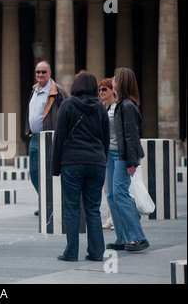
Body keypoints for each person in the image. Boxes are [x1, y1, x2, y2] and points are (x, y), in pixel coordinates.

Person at [51, 71, 110, 261]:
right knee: (93, 209)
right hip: (96, 162)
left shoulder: (68, 105)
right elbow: (105, 138)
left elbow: (59, 137)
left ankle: (71, 252)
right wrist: (102, 159)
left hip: (72, 162)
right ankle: (96, 252)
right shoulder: (100, 108)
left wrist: (55, 167)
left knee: (72, 208)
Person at [106, 67, 149, 252]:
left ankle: (138, 237)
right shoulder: (115, 103)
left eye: (114, 78)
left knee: (121, 195)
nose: (111, 80)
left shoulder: (127, 106)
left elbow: (132, 136)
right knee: (112, 195)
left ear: (121, 82)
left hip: (122, 156)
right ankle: (123, 238)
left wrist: (132, 162)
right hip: (110, 154)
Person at [25, 60, 68, 216]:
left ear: (50, 73)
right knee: (34, 171)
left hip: (51, 137)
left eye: (44, 72)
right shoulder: (34, 90)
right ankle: (45, 200)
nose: (40, 75)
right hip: (35, 138)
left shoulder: (58, 92)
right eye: (38, 72)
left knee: (54, 171)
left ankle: (58, 202)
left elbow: (67, 113)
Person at [98, 78, 115, 230]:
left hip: (116, 151)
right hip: (104, 151)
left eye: (105, 89)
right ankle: (110, 218)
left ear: (113, 91)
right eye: (100, 90)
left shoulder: (118, 107)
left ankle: (117, 218)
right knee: (106, 187)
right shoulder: (101, 107)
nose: (102, 92)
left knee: (117, 187)